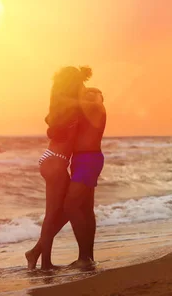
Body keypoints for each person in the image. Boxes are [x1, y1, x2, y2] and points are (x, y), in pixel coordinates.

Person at [25, 66, 92, 270]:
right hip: (56, 161)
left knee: (62, 210)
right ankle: (44, 263)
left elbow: (51, 122)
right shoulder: (72, 105)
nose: (83, 86)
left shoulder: (59, 102)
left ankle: (37, 253)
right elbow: (88, 105)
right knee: (54, 213)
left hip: (53, 159)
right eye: (79, 83)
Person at [64, 87, 107, 267]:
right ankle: (88, 257)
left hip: (88, 160)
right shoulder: (85, 112)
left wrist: (72, 95)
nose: (88, 95)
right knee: (86, 209)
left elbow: (87, 100)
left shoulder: (98, 108)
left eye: (92, 93)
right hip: (81, 160)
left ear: (100, 97)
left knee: (70, 205)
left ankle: (84, 257)